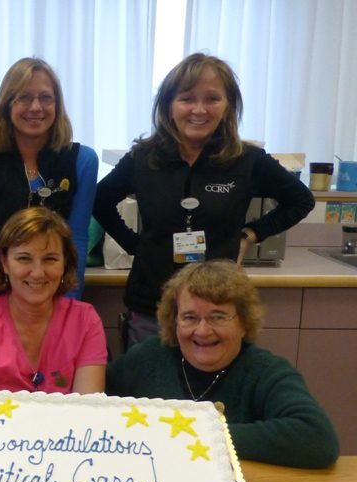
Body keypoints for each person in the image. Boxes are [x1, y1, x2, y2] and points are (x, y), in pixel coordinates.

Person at [93, 52, 314, 348]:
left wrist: (249, 235)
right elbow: (100, 201)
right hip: (151, 306)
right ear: (169, 106)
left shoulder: (247, 160)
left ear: (228, 106)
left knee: (211, 394)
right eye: (186, 98)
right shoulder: (144, 158)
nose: (199, 109)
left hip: (218, 308)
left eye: (212, 98)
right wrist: (135, 244)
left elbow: (301, 200)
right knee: (146, 393)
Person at [106, 260, 339, 469]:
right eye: (189, 317)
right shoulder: (146, 358)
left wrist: (198, 432)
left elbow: (318, 440)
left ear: (244, 323)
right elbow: (91, 408)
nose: (203, 331)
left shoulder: (266, 372)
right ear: (174, 321)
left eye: (218, 317)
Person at [0, 57, 98, 307]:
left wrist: (68, 308)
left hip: (53, 298)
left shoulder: (82, 160)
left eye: (46, 98)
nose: (36, 107)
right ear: (6, 104)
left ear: (57, 105)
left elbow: (77, 238)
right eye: (24, 97)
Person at [0, 207, 107, 393]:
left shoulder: (85, 320)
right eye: (24, 259)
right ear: (4, 262)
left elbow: (87, 412)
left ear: (64, 263)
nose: (37, 273)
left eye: (50, 259)